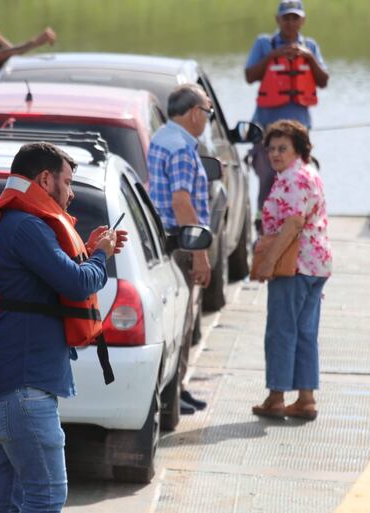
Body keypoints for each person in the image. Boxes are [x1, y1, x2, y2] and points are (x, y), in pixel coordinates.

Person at [0, 142, 125, 512]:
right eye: (67, 182)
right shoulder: (28, 228)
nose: (72, 192)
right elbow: (79, 283)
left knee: (5, 499)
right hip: (22, 387)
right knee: (46, 496)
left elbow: (52, 276)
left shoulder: (9, 223)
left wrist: (91, 248)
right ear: (45, 179)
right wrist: (101, 256)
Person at [251, 119, 332, 421]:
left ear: (297, 149)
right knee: (305, 332)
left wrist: (270, 260)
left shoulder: (292, 178)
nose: (275, 154)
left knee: (281, 331)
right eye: (271, 148)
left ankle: (276, 397)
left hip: (294, 265)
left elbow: (293, 223)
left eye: (282, 148)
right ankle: (306, 399)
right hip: (316, 264)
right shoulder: (308, 174)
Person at [147, 84, 213, 415]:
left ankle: (177, 390)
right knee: (183, 322)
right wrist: (201, 255)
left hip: (165, 240)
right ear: (193, 113)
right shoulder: (183, 149)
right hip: (184, 243)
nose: (207, 119)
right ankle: (175, 395)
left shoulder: (161, 137)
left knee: (175, 322)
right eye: (207, 112)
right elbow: (181, 200)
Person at [244, 0, 328, 229]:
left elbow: (324, 81)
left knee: (299, 180)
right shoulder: (264, 43)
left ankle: (298, 228)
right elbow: (249, 76)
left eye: (295, 18)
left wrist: (308, 57)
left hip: (299, 132)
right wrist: (274, 55)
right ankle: (263, 228)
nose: (290, 23)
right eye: (286, 18)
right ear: (277, 20)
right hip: (266, 128)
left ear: (303, 20)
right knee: (269, 179)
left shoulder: (310, 46)